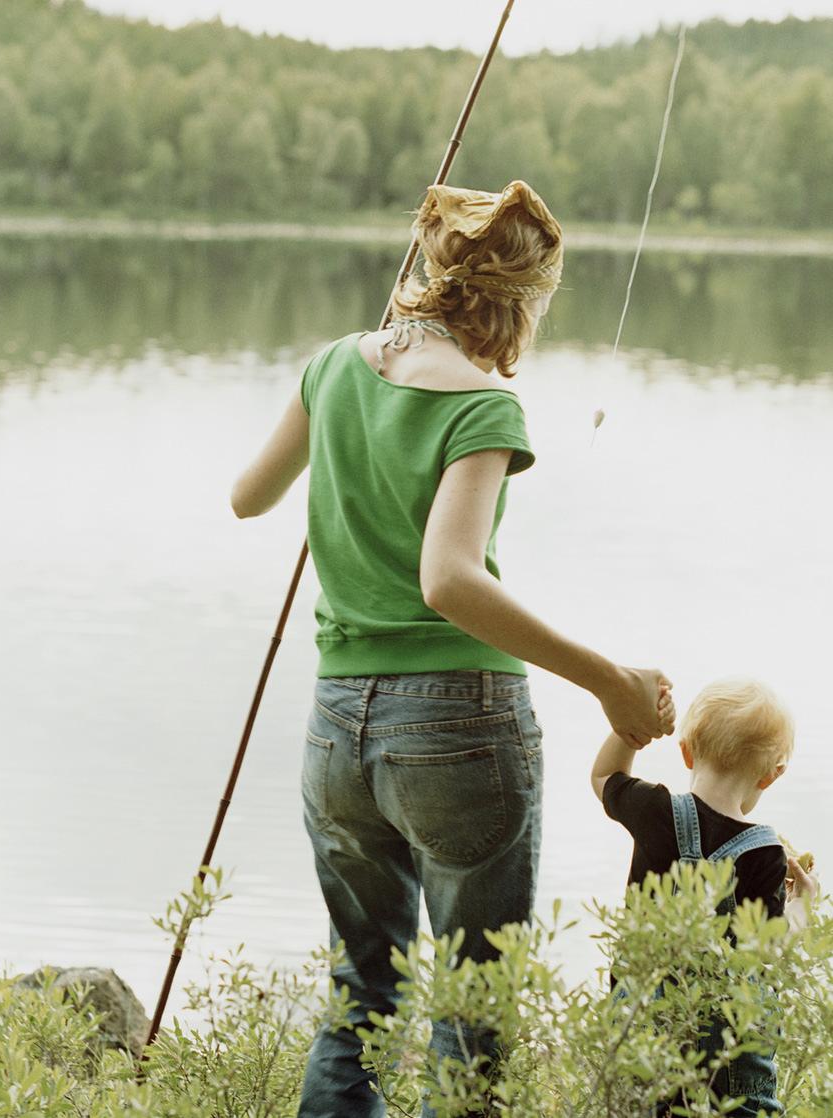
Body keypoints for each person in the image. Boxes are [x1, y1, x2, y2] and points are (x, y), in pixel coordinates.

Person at [231, 180, 673, 1118]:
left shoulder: (330, 366)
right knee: (472, 1016)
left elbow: (246, 496)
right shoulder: (485, 409)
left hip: (336, 732)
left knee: (364, 997)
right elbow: (449, 580)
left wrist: (349, 400)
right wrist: (610, 683)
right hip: (458, 732)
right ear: (517, 299)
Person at [591, 677, 820, 1115]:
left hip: (641, 1029)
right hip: (729, 1052)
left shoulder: (652, 809)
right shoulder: (766, 852)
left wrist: (631, 727)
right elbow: (769, 948)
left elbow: (605, 776)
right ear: (771, 776)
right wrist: (801, 905)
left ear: (686, 751)